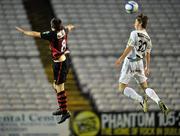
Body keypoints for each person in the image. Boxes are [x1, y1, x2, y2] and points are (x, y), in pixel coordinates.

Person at [16, 17, 75, 123]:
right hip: (60, 61)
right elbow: (69, 27)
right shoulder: (64, 30)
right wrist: (72, 26)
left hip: (60, 63)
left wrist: (24, 32)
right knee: (55, 85)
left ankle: (65, 112)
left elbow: (36, 34)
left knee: (59, 87)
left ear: (52, 26)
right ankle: (62, 108)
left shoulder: (52, 34)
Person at [115, 13, 170, 115]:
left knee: (122, 88)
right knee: (145, 88)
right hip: (140, 63)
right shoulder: (148, 38)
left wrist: (121, 58)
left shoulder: (134, 33)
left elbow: (130, 47)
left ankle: (141, 100)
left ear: (140, 23)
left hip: (130, 62)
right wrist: (147, 67)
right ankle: (158, 101)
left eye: (135, 21)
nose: (134, 23)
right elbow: (148, 54)